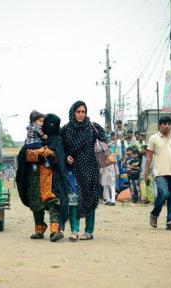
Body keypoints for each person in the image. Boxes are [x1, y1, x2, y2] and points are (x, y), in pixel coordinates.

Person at [62, 100, 109, 240]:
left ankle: (88, 231)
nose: (81, 115)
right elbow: (61, 148)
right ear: (73, 113)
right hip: (73, 170)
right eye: (78, 112)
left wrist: (111, 153)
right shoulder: (65, 129)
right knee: (74, 200)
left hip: (90, 169)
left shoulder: (92, 127)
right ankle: (74, 230)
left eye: (83, 112)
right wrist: (66, 157)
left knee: (89, 198)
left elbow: (106, 140)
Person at [17, 114, 68, 242]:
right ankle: (39, 230)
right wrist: (36, 153)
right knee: (35, 203)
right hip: (33, 178)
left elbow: (61, 157)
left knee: (52, 201)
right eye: (43, 122)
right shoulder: (32, 140)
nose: (46, 125)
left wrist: (52, 153)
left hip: (50, 176)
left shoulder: (57, 139)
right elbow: (25, 155)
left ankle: (55, 231)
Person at [144, 115, 171, 231]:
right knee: (163, 193)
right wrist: (146, 172)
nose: (167, 126)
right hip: (160, 172)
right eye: (164, 124)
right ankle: (154, 214)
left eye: (169, 123)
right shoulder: (153, 138)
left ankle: (170, 222)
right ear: (160, 125)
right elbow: (149, 157)